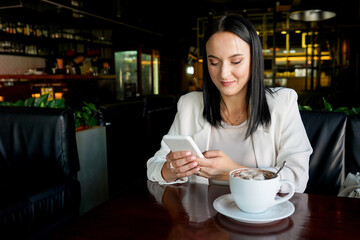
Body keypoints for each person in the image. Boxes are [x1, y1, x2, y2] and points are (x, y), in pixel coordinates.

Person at [147, 14, 312, 193]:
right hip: (204, 217)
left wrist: (234, 172)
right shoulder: (189, 105)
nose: (224, 73)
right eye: (214, 62)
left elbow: (297, 178)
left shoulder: (283, 103)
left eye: (236, 61)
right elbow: (154, 167)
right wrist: (172, 169)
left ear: (254, 59)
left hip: (261, 217)